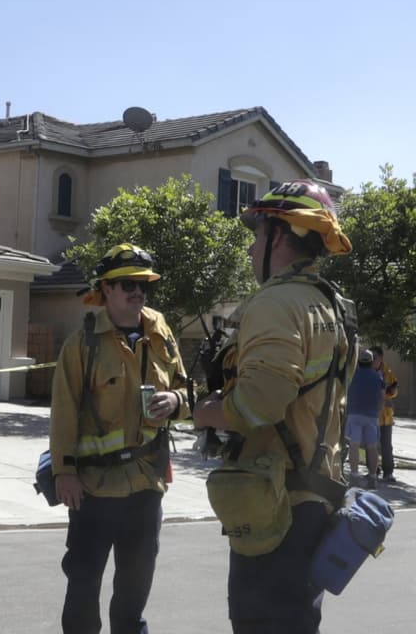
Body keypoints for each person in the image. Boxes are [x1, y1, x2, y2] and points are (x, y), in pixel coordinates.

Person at [193, 179, 354, 633]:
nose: (250, 249)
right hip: (318, 495)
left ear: (280, 236)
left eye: (257, 235)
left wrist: (206, 411)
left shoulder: (276, 302)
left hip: (275, 503)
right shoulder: (334, 306)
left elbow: (261, 403)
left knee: (262, 622)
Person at [49, 243, 190, 634]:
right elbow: (63, 411)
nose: (138, 292)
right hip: (93, 490)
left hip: (146, 485)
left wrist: (177, 400)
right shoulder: (82, 344)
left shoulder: (160, 334)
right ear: (106, 289)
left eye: (144, 285)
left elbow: (188, 391)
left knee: (133, 593)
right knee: (83, 589)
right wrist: (64, 472)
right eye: (128, 284)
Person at [345, 348, 384, 489]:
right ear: (371, 361)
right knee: (372, 447)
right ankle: (373, 478)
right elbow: (382, 396)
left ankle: (354, 477)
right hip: (372, 416)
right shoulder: (377, 376)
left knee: (354, 446)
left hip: (354, 414)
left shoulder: (352, 374)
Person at [372, 346, 400, 483]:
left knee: (386, 446)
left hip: (386, 417)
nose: (373, 360)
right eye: (371, 357)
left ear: (381, 358)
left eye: (375, 357)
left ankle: (388, 472)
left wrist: (387, 394)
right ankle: (373, 470)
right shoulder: (366, 370)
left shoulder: (387, 372)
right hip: (371, 415)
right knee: (372, 444)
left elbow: (394, 390)